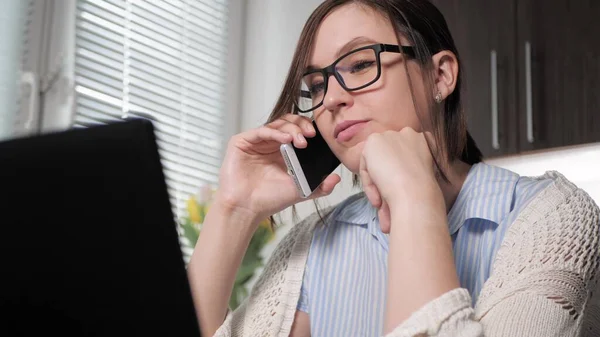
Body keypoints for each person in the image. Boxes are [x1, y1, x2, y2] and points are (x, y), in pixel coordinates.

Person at [186, 0, 600, 336]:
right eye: (316, 85)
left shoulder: (554, 215)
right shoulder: (315, 245)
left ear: (440, 76)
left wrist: (414, 197)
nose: (330, 99)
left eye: (360, 64)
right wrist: (234, 207)